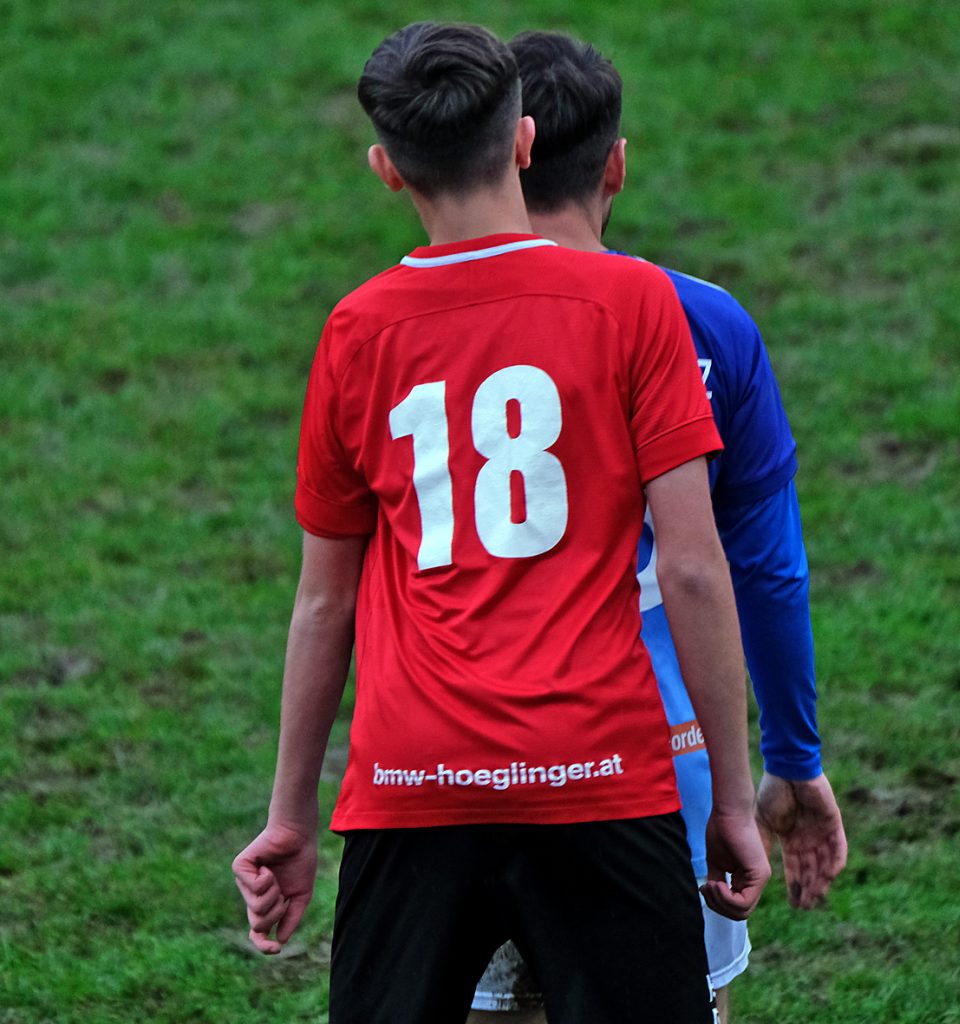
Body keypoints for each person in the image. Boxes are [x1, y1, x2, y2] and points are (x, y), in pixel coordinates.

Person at [231, 21, 770, 1024]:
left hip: (413, 781)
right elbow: (694, 569)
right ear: (523, 142)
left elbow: (323, 602)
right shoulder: (634, 303)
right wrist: (733, 802)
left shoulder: (356, 331)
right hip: (599, 770)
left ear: (387, 169)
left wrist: (290, 815)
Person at [468, 31, 848, 1024]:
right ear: (617, 166)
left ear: (501, 154)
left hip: (468, 755)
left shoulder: (422, 326)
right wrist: (792, 758)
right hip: (656, 753)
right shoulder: (708, 325)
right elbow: (762, 568)